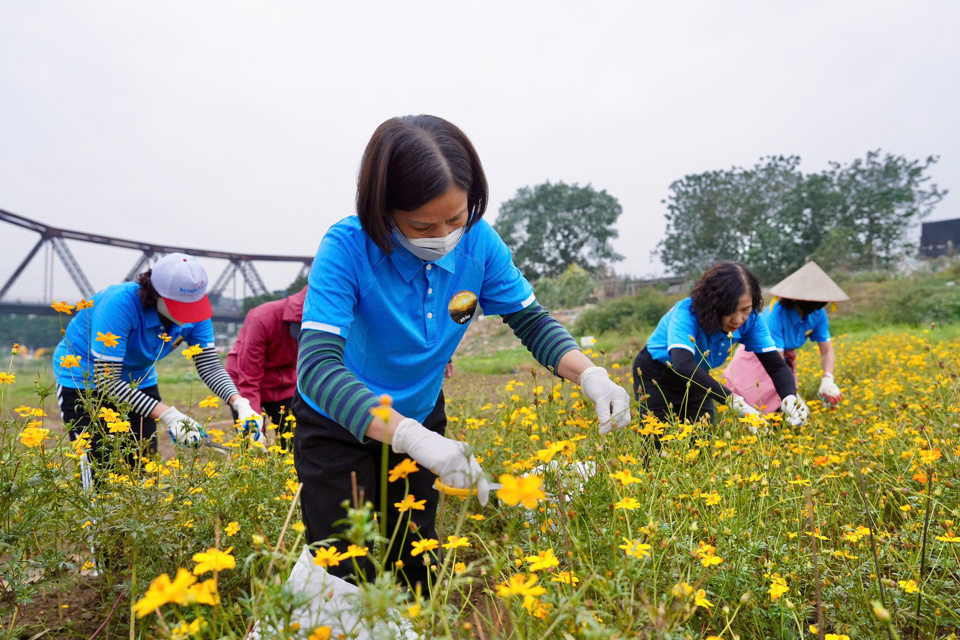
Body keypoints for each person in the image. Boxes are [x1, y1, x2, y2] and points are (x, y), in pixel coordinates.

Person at [292, 114, 631, 596]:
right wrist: (410, 437)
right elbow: (319, 368)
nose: (445, 234)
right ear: (382, 211)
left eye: (457, 217)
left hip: (420, 414)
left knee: (416, 555)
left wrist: (591, 374)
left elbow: (530, 320)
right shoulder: (347, 248)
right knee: (346, 567)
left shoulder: (480, 243)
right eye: (421, 225)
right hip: (339, 426)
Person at [53, 253, 264, 486]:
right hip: (86, 378)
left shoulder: (196, 312)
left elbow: (209, 364)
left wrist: (239, 402)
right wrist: (170, 415)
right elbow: (107, 381)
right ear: (156, 294)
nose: (188, 317)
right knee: (100, 469)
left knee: (142, 468)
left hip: (139, 379)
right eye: (180, 308)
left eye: (192, 307)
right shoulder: (119, 304)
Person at [632, 261, 808, 428]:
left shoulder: (752, 320)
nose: (738, 319)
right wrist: (737, 403)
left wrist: (790, 398)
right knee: (657, 441)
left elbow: (776, 365)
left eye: (745, 309)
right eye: (730, 311)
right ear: (712, 305)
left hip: (698, 377)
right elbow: (683, 364)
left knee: (702, 442)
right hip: (657, 375)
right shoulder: (686, 313)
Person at [723, 261, 847, 412]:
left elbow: (827, 350)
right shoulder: (775, 315)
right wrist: (793, 396)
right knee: (757, 407)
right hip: (758, 359)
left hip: (782, 364)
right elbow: (776, 362)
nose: (818, 304)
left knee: (788, 408)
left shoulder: (818, 314)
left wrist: (828, 378)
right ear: (795, 297)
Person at [226, 286, 308, 449]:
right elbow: (248, 379)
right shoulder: (263, 318)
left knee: (294, 444)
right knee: (251, 445)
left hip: (284, 384)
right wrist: (256, 429)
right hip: (244, 380)